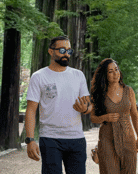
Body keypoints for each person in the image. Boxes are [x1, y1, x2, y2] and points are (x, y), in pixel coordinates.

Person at [25, 35, 92, 174]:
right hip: (50, 138)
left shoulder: (78, 75)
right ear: (51, 51)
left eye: (69, 51)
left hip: (76, 138)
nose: (66, 54)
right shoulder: (39, 76)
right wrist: (30, 140)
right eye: (62, 50)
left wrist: (85, 109)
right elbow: (31, 110)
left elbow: (89, 105)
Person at [89, 58, 138, 174]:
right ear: (105, 75)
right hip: (107, 139)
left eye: (116, 69)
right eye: (110, 71)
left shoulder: (129, 91)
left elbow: (134, 115)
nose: (115, 73)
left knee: (129, 171)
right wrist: (105, 117)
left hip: (128, 138)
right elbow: (93, 118)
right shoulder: (99, 93)